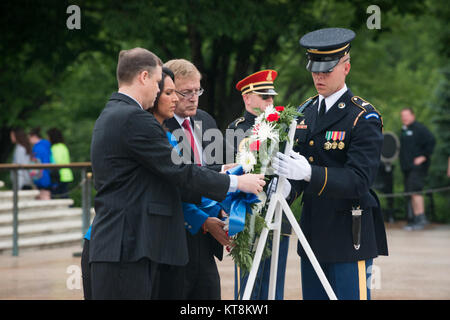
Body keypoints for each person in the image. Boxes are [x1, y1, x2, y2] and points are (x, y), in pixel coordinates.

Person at [88, 47, 265, 300]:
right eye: (161, 84)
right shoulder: (135, 118)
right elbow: (180, 172)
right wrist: (237, 182)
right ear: (144, 77)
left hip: (125, 246)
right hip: (126, 248)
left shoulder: (116, 112)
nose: (163, 92)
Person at [272, 27, 388, 300]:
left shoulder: (362, 117)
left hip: (348, 236)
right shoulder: (304, 112)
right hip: (312, 233)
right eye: (315, 70)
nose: (319, 77)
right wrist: (288, 188)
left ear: (346, 67)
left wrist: (309, 173)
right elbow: (297, 167)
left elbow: (360, 180)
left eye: (327, 71)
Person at [160, 59, 230, 299]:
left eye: (197, 90)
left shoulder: (205, 120)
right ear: (168, 90)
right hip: (174, 237)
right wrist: (202, 220)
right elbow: (173, 184)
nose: (193, 97)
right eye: (185, 92)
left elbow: (217, 171)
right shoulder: (159, 125)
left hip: (206, 240)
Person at [227, 70, 292, 300]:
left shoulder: (282, 128)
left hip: (277, 210)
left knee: (274, 285)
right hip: (249, 214)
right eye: (264, 97)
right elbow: (230, 172)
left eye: (271, 96)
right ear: (248, 98)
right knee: (249, 288)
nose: (270, 101)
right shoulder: (238, 129)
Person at [399, 107, 436, 230]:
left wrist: (423, 156)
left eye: (406, 115)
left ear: (412, 116)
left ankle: (421, 218)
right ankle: (414, 219)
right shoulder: (404, 130)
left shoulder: (419, 128)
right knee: (410, 193)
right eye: (402, 116)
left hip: (417, 168)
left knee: (416, 192)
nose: (404, 118)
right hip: (407, 168)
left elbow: (432, 140)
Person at [46, 128, 74, 198]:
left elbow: (57, 162)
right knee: (64, 196)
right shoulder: (63, 146)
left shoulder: (55, 148)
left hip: (60, 176)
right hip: (66, 174)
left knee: (58, 197)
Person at [28, 127, 52, 200]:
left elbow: (43, 162)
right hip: (41, 175)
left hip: (42, 175)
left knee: (44, 195)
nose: (29, 140)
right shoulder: (42, 146)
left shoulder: (39, 147)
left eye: (29, 138)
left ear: (34, 136)